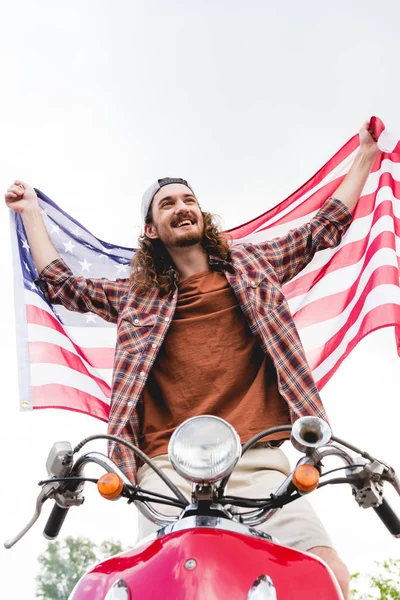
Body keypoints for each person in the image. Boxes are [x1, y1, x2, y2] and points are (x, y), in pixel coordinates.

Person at [5, 122, 381, 598]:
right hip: (164, 468)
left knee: (325, 573)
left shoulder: (254, 266)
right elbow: (65, 285)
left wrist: (366, 154)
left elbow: (321, 229)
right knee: (160, 583)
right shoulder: (137, 296)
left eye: (188, 200)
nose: (182, 208)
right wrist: (31, 212)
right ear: (151, 230)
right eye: (168, 204)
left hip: (260, 459)